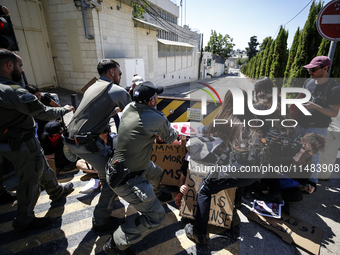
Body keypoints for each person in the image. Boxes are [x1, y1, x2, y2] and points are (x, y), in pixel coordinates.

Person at [0, 49, 75, 231]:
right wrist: (63, 110)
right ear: (9, 65)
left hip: (7, 142)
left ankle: (56, 192)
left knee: (41, 165)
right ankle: (24, 220)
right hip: (21, 143)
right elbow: (42, 111)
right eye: (20, 65)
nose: (22, 70)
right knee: (31, 179)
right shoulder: (12, 90)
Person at [103, 81, 179, 254]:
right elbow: (169, 138)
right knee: (156, 217)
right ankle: (115, 243)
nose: (158, 97)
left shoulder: (129, 107)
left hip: (126, 165)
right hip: (128, 179)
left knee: (157, 172)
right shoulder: (156, 117)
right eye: (156, 96)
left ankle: (157, 194)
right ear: (152, 100)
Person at [184, 89, 267, 245]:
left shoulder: (225, 118)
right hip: (258, 170)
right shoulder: (252, 119)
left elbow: (204, 131)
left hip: (241, 169)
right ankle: (236, 204)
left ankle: (199, 233)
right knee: (239, 172)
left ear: (228, 101)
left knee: (205, 189)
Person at [65, 59, 131, 232]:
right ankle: (100, 221)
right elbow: (135, 116)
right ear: (112, 72)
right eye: (119, 73)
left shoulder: (93, 86)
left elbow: (96, 110)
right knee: (113, 179)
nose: (120, 76)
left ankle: (108, 196)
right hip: (86, 143)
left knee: (106, 174)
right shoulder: (115, 90)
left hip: (72, 140)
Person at [296, 56, 340, 187]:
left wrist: (315, 106)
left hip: (317, 128)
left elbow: (334, 112)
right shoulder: (308, 82)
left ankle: (312, 182)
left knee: (313, 157)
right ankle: (297, 179)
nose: (310, 72)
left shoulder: (334, 88)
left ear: (325, 68)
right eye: (309, 70)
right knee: (296, 152)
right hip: (300, 124)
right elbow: (300, 97)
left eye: (313, 70)